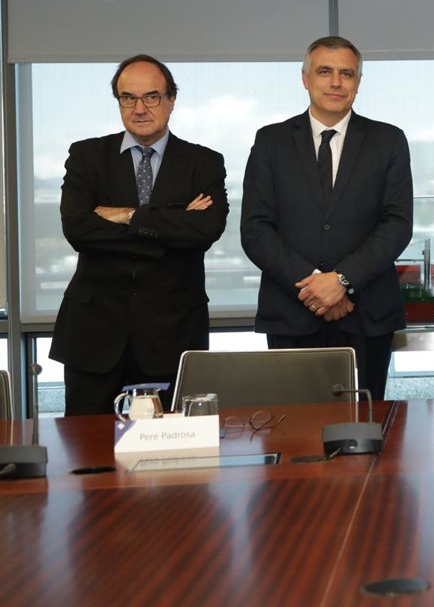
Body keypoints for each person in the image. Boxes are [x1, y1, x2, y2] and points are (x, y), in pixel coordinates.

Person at [50, 55, 228, 415]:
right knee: (87, 445)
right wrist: (171, 226)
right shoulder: (86, 156)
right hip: (94, 332)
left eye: (151, 96)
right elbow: (79, 230)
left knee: (173, 444)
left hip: (173, 331)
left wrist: (128, 215)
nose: (140, 108)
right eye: (128, 98)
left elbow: (205, 230)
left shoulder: (204, 162)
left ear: (171, 100)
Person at [241, 36, 413, 401]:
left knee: (364, 423)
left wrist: (343, 281)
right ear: (305, 78)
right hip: (291, 313)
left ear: (358, 82)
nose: (336, 82)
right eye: (324, 72)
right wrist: (316, 287)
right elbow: (256, 229)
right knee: (295, 428)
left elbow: (397, 224)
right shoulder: (271, 141)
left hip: (367, 315)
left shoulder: (389, 140)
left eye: (346, 73)